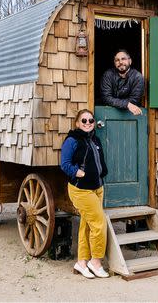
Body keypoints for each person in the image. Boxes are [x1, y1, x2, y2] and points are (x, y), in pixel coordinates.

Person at [60, 109, 109, 279]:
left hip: (97, 188)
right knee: (99, 224)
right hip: (81, 189)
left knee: (87, 225)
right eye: (84, 121)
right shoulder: (72, 140)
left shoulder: (95, 139)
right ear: (77, 123)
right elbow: (64, 164)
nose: (88, 123)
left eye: (90, 120)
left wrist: (102, 173)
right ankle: (95, 263)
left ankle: (81, 262)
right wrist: (77, 172)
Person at [100, 49, 144, 115]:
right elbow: (106, 98)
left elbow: (134, 101)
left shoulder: (137, 77)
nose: (120, 62)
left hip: (130, 115)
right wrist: (127, 104)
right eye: (117, 60)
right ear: (114, 63)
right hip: (109, 113)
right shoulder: (108, 75)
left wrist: (123, 103)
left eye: (123, 59)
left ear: (130, 61)